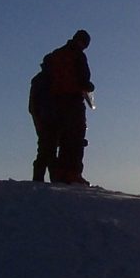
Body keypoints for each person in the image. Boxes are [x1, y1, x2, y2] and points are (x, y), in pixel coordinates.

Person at [41, 29, 95, 185]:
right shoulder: (77, 56)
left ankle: (59, 173)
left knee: (61, 138)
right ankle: (72, 174)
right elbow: (83, 80)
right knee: (76, 138)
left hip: (53, 103)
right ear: (83, 42)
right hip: (72, 100)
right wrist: (89, 87)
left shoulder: (55, 55)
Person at [28, 69, 55, 182]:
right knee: (48, 150)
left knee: (46, 149)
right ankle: (54, 179)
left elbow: (32, 105)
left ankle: (40, 178)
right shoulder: (53, 78)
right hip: (51, 117)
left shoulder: (39, 80)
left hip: (44, 118)